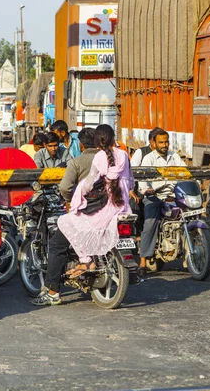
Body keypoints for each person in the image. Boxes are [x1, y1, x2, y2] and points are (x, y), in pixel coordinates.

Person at [32, 125, 133, 306]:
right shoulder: (124, 155)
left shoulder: (94, 158)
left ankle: (56, 289)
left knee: (62, 232)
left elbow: (89, 183)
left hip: (104, 210)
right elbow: (131, 182)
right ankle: (86, 260)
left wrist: (76, 201)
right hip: (124, 208)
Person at [137, 129, 187, 277]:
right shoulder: (148, 159)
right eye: (161, 142)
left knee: (191, 213)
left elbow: (185, 171)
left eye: (166, 142)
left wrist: (195, 181)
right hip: (155, 196)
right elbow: (142, 181)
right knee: (150, 223)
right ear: (154, 143)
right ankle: (143, 262)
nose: (164, 145)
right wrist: (146, 190)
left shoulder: (174, 157)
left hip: (174, 195)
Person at [59, 128, 98, 203]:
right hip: (105, 204)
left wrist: (71, 201)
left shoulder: (75, 162)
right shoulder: (107, 158)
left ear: (81, 144)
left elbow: (64, 188)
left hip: (84, 204)